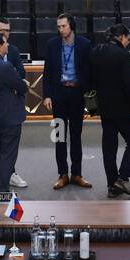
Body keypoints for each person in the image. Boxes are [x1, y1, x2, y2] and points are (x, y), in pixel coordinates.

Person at [90, 23, 130, 198]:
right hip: (123, 109)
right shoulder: (123, 54)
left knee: (109, 148)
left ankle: (112, 186)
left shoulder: (96, 51)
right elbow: (128, 85)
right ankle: (123, 177)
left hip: (104, 108)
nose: (129, 42)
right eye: (128, 38)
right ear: (121, 37)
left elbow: (99, 78)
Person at [41, 13, 92, 189]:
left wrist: (88, 94)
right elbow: (47, 71)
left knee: (76, 136)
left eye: (63, 26)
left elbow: (89, 71)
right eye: (58, 26)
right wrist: (47, 95)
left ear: (71, 26)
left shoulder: (85, 44)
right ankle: (63, 174)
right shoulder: (52, 45)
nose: (60, 29)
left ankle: (77, 174)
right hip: (59, 95)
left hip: (77, 95)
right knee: (59, 136)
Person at [0, 33, 28, 193]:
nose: (8, 45)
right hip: (9, 117)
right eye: (5, 43)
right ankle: (2, 190)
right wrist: (20, 85)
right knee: (7, 155)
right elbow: (22, 86)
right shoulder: (5, 66)